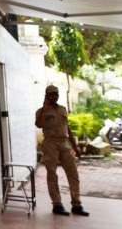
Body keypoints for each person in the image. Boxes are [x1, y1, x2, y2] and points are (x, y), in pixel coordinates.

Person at [35, 85, 89, 216]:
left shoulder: (62, 109)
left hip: (64, 143)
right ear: (46, 96)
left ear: (58, 95)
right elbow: (38, 124)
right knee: (52, 174)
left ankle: (76, 204)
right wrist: (45, 109)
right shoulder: (41, 111)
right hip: (50, 143)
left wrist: (75, 147)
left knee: (73, 173)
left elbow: (67, 127)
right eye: (51, 94)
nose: (54, 96)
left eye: (55, 94)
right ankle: (57, 204)